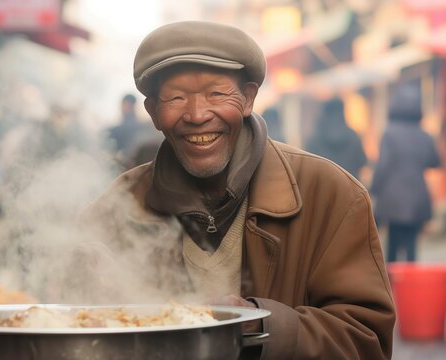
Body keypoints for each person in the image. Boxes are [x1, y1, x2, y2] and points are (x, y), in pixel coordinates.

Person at [81, 21, 394, 359]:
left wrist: (260, 327)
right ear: (154, 113)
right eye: (176, 97)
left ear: (247, 99)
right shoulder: (117, 206)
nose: (198, 114)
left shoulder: (332, 195)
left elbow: (367, 341)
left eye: (216, 93)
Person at [370, 84, 441, 262]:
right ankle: (411, 284)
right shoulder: (425, 135)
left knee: (392, 245)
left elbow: (383, 165)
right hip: (417, 196)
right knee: (411, 247)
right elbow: (434, 162)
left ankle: (393, 285)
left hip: (393, 198)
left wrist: (374, 188)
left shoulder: (390, 133)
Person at [305, 97, 367, 180]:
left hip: (323, 189)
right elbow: (362, 162)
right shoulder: (353, 137)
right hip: (349, 189)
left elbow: (307, 167)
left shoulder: (314, 139)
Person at [106, 93, 162, 169]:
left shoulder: (141, 127)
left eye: (128, 105)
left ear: (133, 106)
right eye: (125, 105)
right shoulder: (116, 130)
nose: (125, 108)